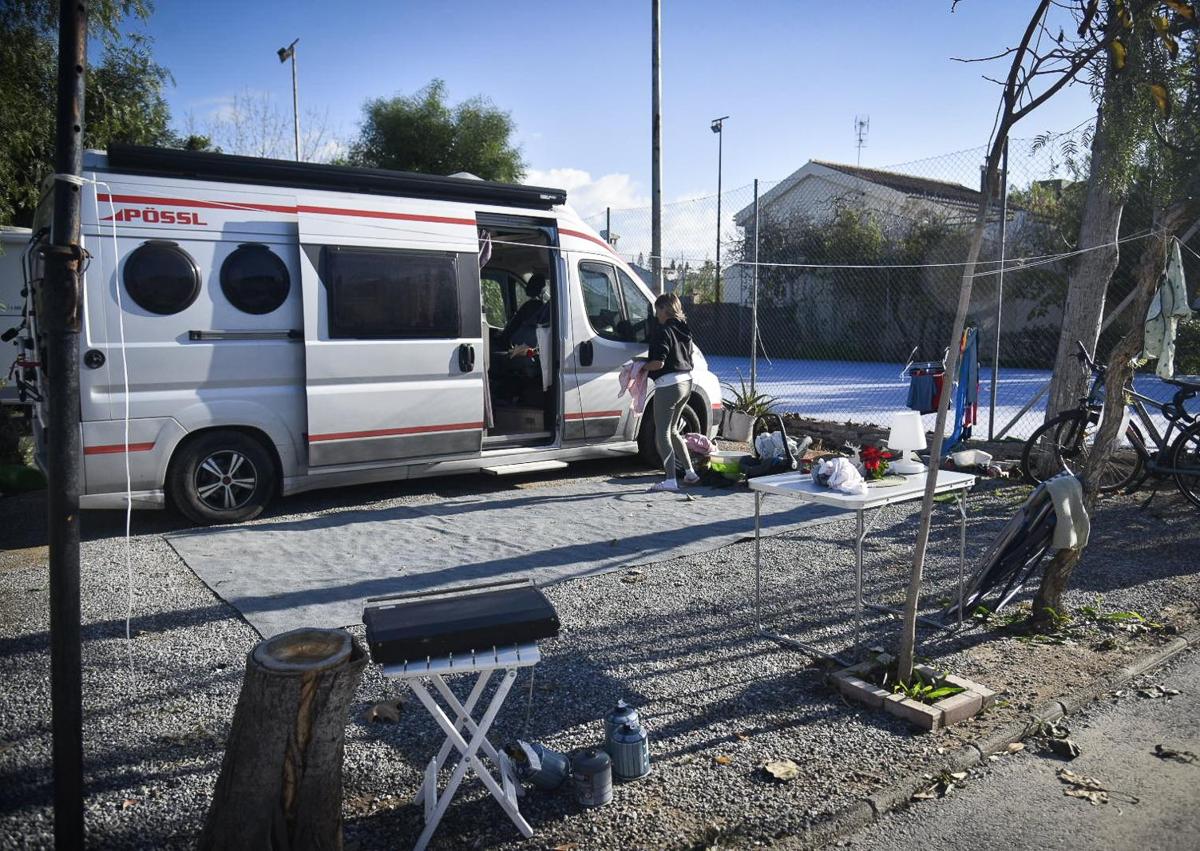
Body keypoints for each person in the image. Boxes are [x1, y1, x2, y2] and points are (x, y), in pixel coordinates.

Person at [645, 292, 699, 492]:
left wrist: (641, 367)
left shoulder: (663, 330)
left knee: (662, 432)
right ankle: (690, 473)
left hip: (669, 385)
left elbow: (659, 362)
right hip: (687, 382)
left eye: (657, 310)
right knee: (674, 429)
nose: (656, 314)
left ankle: (670, 479)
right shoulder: (684, 329)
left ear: (664, 309)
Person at [501, 274, 550, 358]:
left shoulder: (528, 306)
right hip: (521, 347)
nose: (545, 290)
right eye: (544, 287)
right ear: (541, 289)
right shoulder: (540, 308)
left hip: (514, 342)